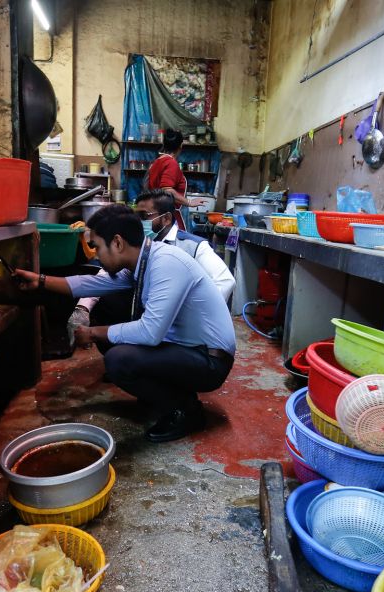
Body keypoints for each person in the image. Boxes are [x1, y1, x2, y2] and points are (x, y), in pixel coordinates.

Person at [13, 204, 236, 443]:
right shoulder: (144, 260)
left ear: (117, 243)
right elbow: (90, 284)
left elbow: (150, 333)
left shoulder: (166, 263)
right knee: (112, 325)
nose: (96, 254)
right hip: (188, 349)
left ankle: (186, 411)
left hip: (210, 361)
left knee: (118, 359)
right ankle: (169, 394)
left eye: (97, 246)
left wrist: (94, 333)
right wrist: (41, 281)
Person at [67, 189, 234, 349]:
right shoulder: (138, 243)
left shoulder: (193, 245)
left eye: (144, 216)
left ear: (166, 219)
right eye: (136, 215)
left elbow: (225, 281)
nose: (139, 221)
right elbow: (110, 273)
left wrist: (190, 319)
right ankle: (126, 357)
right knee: (107, 301)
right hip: (146, 318)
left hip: (176, 328)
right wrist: (83, 307)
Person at [146, 129, 205, 230]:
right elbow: (167, 190)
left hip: (158, 215)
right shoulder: (171, 163)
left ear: (164, 144)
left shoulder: (157, 162)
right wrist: (189, 202)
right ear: (181, 146)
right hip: (171, 219)